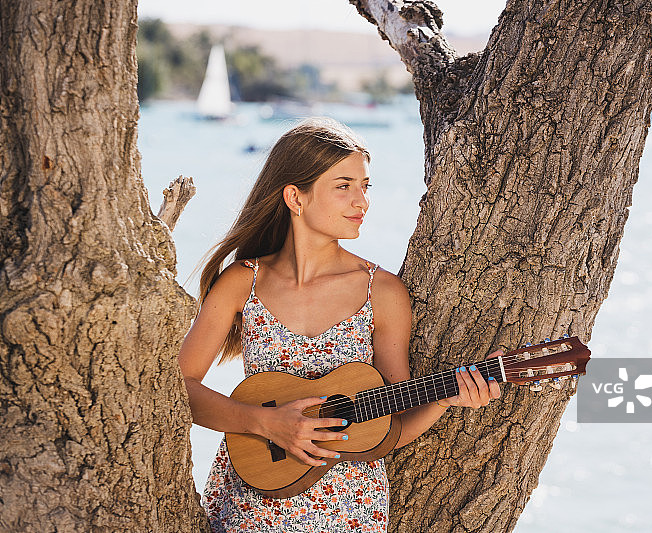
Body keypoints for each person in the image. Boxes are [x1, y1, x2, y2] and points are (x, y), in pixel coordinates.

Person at [178, 118, 501, 532]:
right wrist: (265, 423)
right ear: (295, 197)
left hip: (348, 510)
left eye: (365, 186)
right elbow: (179, 388)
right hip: (250, 502)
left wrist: (444, 399)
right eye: (344, 186)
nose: (361, 201)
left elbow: (393, 424)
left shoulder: (381, 292)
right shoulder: (243, 282)